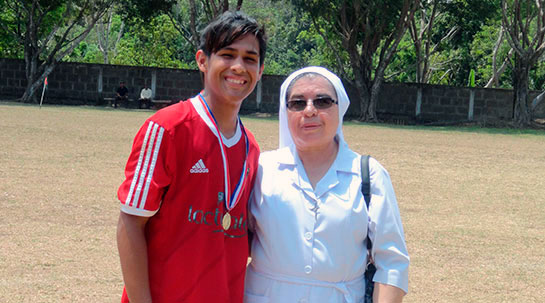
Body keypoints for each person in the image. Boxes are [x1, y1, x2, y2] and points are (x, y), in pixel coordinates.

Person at [116, 11, 267, 303]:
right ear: (202, 60)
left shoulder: (251, 148)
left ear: (260, 70)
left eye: (250, 58)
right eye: (227, 54)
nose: (238, 67)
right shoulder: (167, 129)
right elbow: (130, 223)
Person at [244, 66, 410, 303]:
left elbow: (391, 262)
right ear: (286, 111)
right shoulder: (261, 169)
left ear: (339, 108)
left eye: (322, 101)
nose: (309, 110)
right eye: (298, 103)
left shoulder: (368, 174)